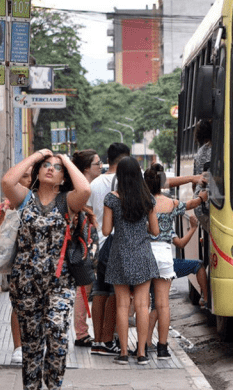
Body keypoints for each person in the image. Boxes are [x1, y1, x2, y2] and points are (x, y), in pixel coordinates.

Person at [1, 149, 91, 390]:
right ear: (38, 172)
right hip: (25, 283)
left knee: (57, 334)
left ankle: (53, 385)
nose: (51, 169)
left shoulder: (67, 201)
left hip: (60, 283)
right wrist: (38, 155)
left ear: (63, 177)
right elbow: (8, 181)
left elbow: (85, 190)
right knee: (31, 345)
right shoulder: (24, 199)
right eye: (46, 166)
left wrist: (66, 160)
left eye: (57, 168)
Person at [142, 164, 210, 359]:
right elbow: (189, 206)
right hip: (164, 255)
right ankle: (162, 348)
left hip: (145, 255)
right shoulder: (172, 203)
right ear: (163, 183)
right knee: (163, 305)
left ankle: (142, 348)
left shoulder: (143, 203)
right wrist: (201, 198)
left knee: (143, 304)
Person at [102, 156, 160, 365]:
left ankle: (124, 353)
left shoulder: (112, 199)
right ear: (138, 174)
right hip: (143, 254)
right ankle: (142, 353)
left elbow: (106, 230)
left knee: (122, 306)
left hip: (120, 255)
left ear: (119, 176)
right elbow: (155, 231)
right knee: (143, 305)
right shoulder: (148, 199)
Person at [88, 143, 130, 357]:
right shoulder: (130, 181)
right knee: (116, 294)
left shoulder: (95, 183)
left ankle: (97, 341)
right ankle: (107, 339)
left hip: (98, 245)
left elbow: (86, 210)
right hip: (118, 245)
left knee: (99, 292)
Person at [0, 165, 33, 365]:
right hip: (21, 260)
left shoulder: (47, 198)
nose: (25, 180)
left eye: (29, 177)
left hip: (45, 262)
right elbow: (0, 235)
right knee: (18, 305)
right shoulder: (13, 202)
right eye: (22, 177)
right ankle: (18, 347)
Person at [70, 149, 102, 348]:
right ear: (86, 168)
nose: (101, 166)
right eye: (97, 164)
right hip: (81, 242)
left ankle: (83, 331)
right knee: (83, 286)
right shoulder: (81, 188)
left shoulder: (89, 186)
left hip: (88, 240)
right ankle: (81, 333)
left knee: (86, 285)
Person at [193, 119, 213, 232]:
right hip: (211, 204)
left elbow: (194, 181)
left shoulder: (200, 152)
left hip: (199, 204)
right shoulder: (220, 150)